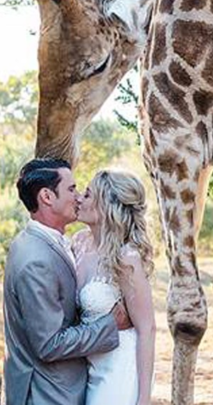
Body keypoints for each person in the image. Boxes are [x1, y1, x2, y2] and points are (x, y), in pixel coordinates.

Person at [2, 158, 131, 405]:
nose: (78, 197)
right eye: (71, 189)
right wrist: (109, 324)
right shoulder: (36, 260)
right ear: (47, 197)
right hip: (47, 394)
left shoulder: (42, 242)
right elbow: (49, 344)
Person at [72, 169, 156, 405]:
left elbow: (147, 329)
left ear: (106, 206)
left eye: (87, 195)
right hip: (82, 367)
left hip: (117, 369)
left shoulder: (126, 258)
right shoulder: (78, 242)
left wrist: (143, 398)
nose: (78, 198)